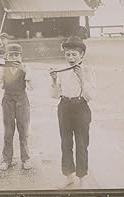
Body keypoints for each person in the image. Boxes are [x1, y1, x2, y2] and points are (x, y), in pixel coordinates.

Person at [49, 36, 96, 188]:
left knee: (82, 144)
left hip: (81, 107)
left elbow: (91, 96)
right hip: (64, 107)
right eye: (67, 54)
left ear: (82, 55)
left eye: (74, 54)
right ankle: (68, 176)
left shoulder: (88, 70)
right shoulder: (61, 71)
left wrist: (82, 78)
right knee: (65, 143)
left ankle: (83, 178)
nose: (70, 57)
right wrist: (54, 81)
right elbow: (55, 95)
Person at [0, 43, 33, 171]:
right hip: (8, 101)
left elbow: (33, 86)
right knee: (8, 132)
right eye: (11, 55)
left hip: (22, 101)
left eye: (17, 55)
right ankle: (7, 159)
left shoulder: (26, 68)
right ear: (6, 56)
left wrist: (26, 72)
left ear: (21, 56)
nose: (14, 58)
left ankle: (26, 159)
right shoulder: (2, 70)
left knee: (23, 131)